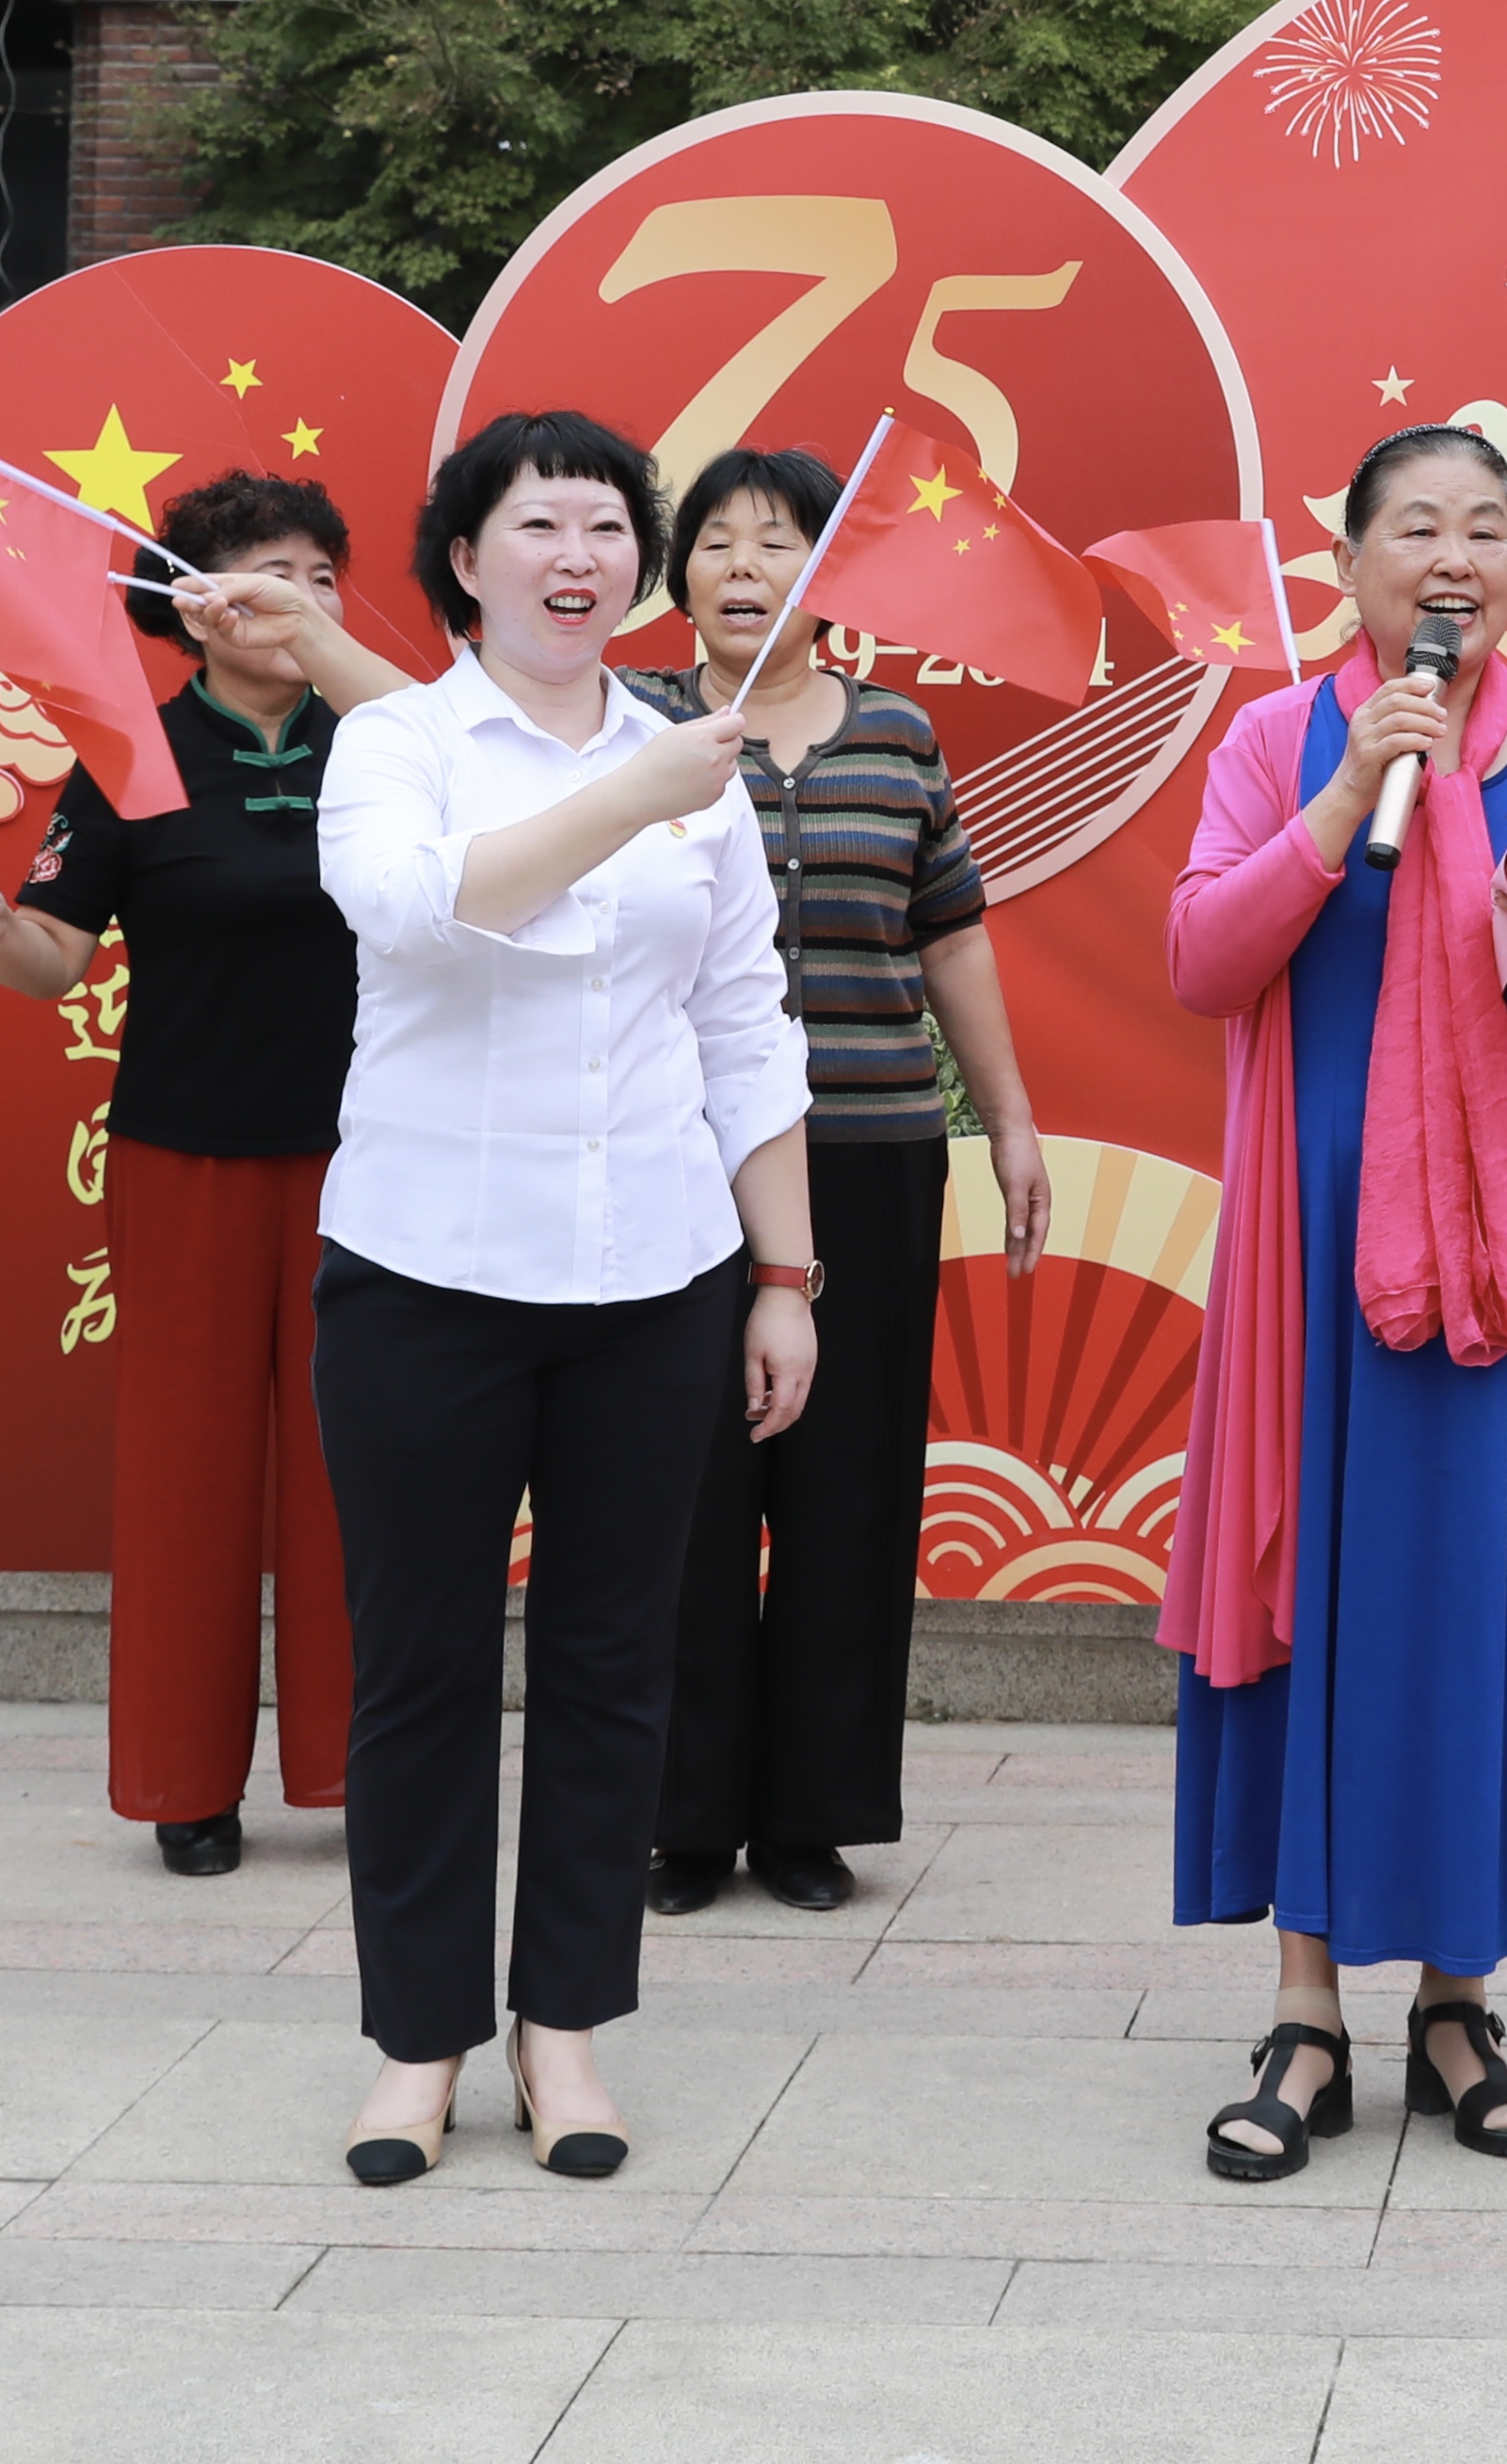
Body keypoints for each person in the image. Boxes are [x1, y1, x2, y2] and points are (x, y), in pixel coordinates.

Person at [1166, 424, 1507, 2183]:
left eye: (1485, 527)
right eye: (1416, 526)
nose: (1452, 556)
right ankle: (1305, 2001)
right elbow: (1201, 956)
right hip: (1322, 1235)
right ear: (1356, 558)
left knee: (1479, 1589)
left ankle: (1457, 1997)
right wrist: (1339, 803)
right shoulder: (1273, 735)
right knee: (1317, 1576)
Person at [309, 409, 814, 2185]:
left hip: (654, 1278)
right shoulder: (396, 739)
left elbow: (745, 1024)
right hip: (425, 1275)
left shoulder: (698, 760)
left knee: (615, 1664)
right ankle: (417, 2043)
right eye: (540, 525)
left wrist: (786, 1273)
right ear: (466, 556)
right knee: (426, 1664)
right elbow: (415, 912)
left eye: (609, 526)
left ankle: (567, 2031)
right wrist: (627, 798)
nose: (578, 555)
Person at [0, 472, 411, 1879]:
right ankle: (187, 1784)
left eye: (320, 572)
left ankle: (353, 1762)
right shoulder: (128, 753)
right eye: (261, 571)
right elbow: (51, 958)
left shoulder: (390, 741)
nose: (295, 597)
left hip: (374, 1165)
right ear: (186, 604)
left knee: (355, 1468)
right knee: (187, 1472)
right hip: (183, 1160)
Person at [633, 444, 1053, 1921]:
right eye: (717, 544)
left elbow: (949, 939)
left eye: (779, 542)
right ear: (676, 577)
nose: (746, 567)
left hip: (872, 1152)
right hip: (677, 1164)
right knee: (684, 1488)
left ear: (828, 577)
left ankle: (810, 1811)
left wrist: (1005, 1119)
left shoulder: (900, 735)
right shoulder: (632, 732)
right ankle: (682, 1818)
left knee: (846, 1487)